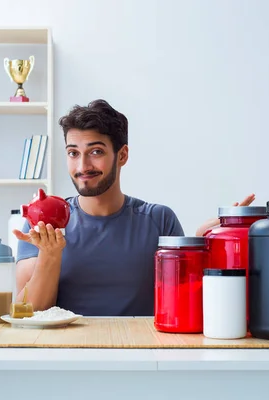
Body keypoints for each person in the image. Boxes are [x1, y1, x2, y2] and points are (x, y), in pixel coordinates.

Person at [13, 99, 254, 316]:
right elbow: (29, 313)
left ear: (122, 155)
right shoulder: (44, 222)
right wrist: (50, 255)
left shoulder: (160, 220)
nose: (82, 165)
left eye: (96, 152)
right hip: (68, 355)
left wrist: (201, 244)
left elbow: (187, 299)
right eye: (73, 153)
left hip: (142, 356)